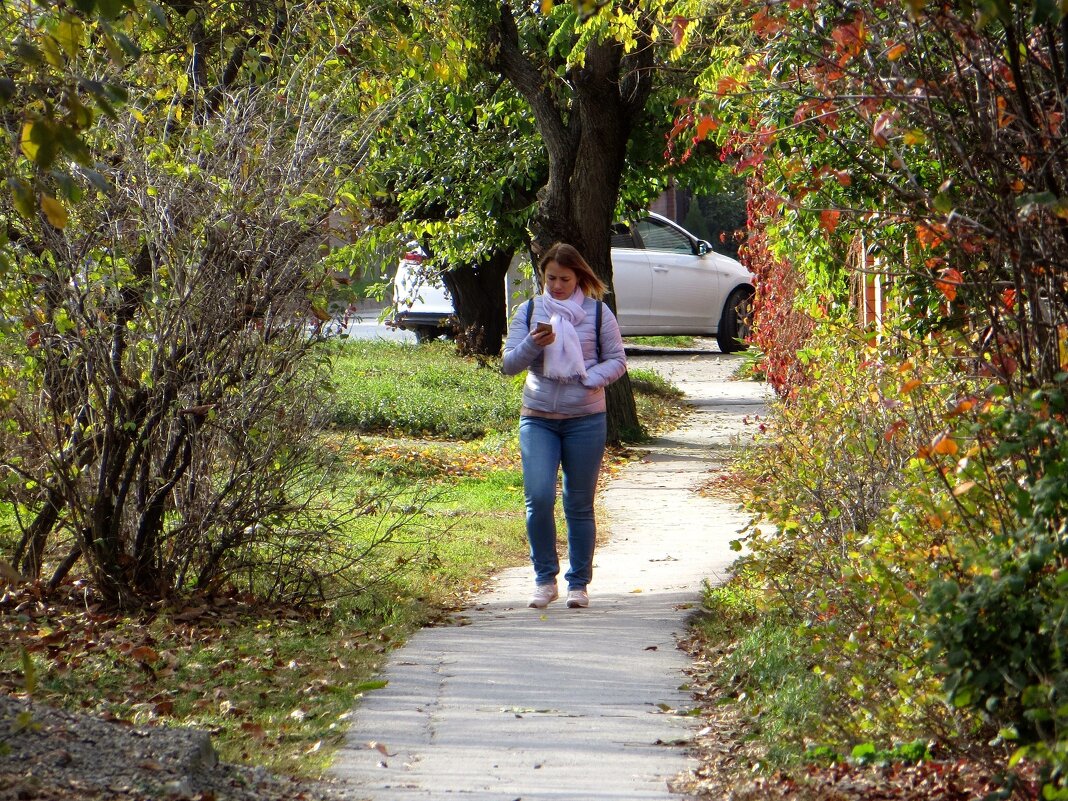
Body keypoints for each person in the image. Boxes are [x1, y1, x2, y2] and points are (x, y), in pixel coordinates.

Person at [501, 243, 627, 609]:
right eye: (550, 278)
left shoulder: (598, 314)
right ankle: (544, 579)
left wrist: (590, 378)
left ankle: (578, 584)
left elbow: (618, 360)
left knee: (578, 503)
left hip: (585, 419)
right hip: (538, 417)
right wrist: (531, 344)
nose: (556, 285)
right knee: (538, 498)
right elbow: (509, 364)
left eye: (564, 279)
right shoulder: (528, 312)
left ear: (579, 278)